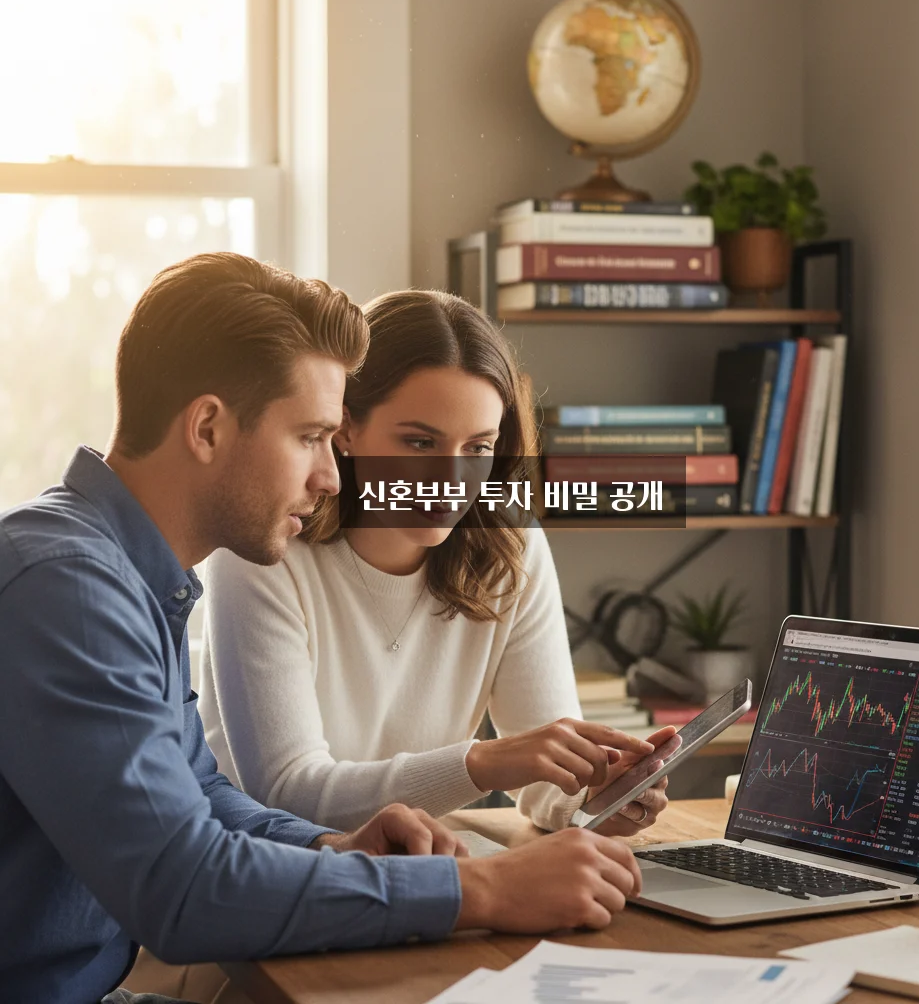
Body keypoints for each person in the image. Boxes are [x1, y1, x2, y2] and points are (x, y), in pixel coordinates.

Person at [0, 254, 645, 1004]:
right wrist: (478, 889)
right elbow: (180, 892)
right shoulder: (69, 587)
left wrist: (333, 845)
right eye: (310, 436)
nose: (332, 475)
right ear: (207, 426)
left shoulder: (128, 574)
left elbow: (203, 794)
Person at [198, 289, 674, 839]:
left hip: (421, 873)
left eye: (477, 449)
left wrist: (600, 795)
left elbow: (548, 782)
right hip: (271, 880)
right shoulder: (264, 546)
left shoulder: (509, 547)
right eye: (420, 441)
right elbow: (287, 793)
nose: (450, 483)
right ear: (346, 427)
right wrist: (483, 763)